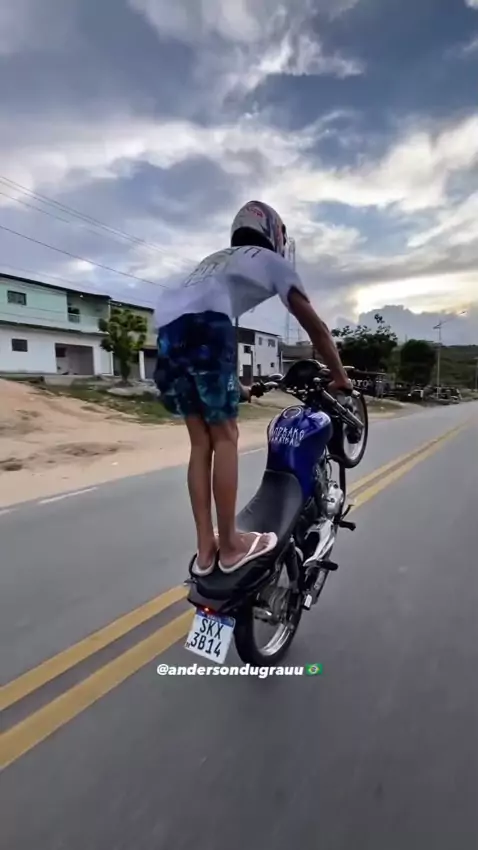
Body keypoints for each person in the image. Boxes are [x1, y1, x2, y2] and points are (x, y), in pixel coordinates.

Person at [154, 200, 352, 577]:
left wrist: (237, 389)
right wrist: (340, 377)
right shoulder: (272, 261)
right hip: (206, 323)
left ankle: (206, 548)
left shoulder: (215, 261)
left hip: (166, 326)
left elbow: (198, 335)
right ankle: (230, 546)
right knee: (225, 437)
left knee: (201, 443)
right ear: (274, 234)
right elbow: (316, 327)